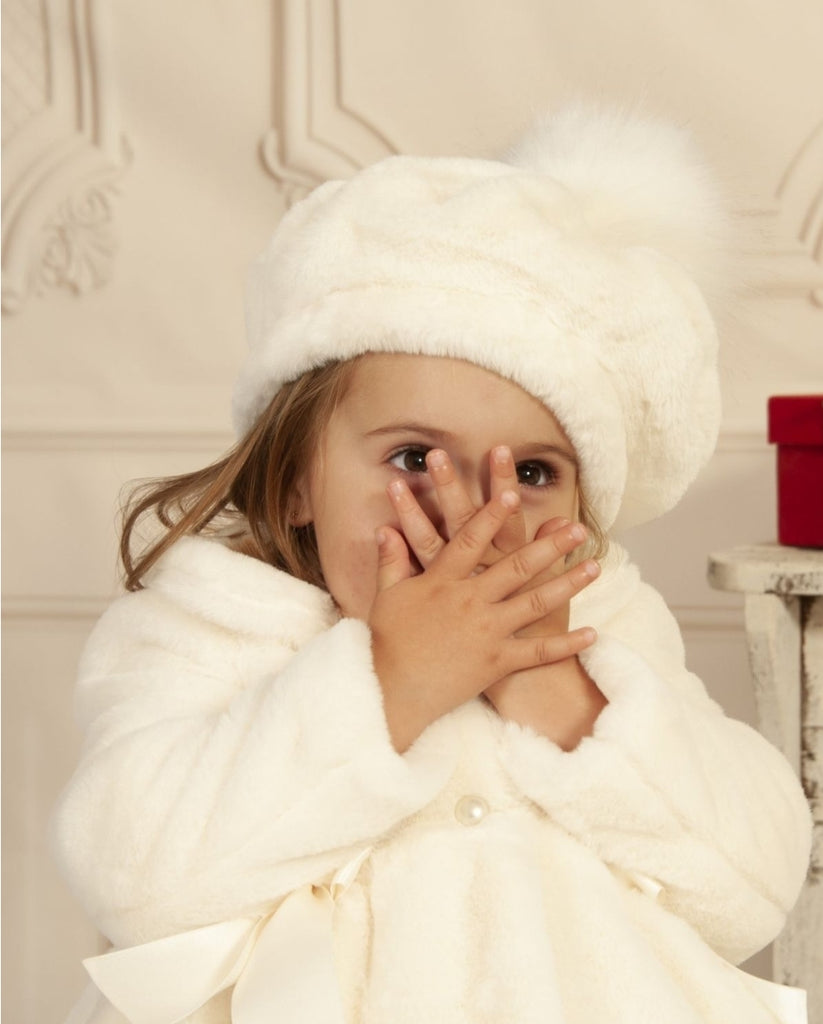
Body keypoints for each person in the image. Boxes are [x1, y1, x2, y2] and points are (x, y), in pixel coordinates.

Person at [53, 104, 812, 1024]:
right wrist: (390, 684)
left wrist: (564, 702)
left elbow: (751, 885)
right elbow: (132, 877)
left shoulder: (599, 625)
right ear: (293, 482)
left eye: (533, 473)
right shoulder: (209, 622)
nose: (479, 512)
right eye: (414, 456)